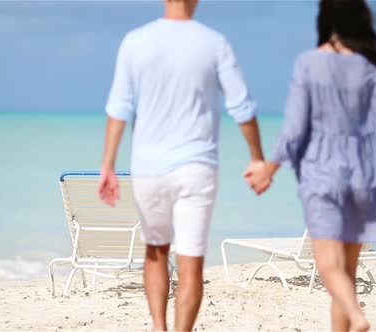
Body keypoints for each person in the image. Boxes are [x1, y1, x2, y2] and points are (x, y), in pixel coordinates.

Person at [244, 1, 376, 331]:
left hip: (323, 176)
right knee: (347, 274)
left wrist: (269, 167)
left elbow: (294, 130)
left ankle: (357, 316)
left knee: (328, 268)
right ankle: (351, 315)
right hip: (366, 178)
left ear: (325, 19)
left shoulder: (308, 63)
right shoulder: (372, 67)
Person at [98, 0, 265, 330]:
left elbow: (119, 107)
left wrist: (108, 165)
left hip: (148, 169)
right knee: (191, 265)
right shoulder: (214, 42)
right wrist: (257, 157)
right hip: (197, 168)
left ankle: (159, 327)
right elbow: (241, 107)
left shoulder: (135, 40)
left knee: (156, 252)